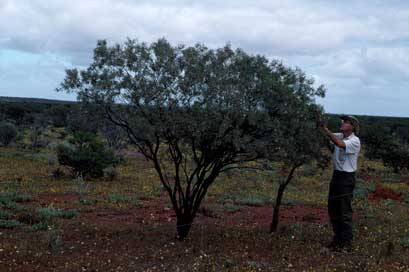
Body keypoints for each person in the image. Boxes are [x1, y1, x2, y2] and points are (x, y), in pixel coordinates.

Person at [317, 114, 361, 252]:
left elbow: (339, 144)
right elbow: (328, 136)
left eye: (346, 122)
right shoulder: (340, 135)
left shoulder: (354, 141)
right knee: (333, 209)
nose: (342, 123)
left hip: (346, 178)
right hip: (337, 176)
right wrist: (319, 123)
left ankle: (346, 244)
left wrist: (325, 128)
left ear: (352, 126)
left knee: (344, 211)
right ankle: (337, 241)